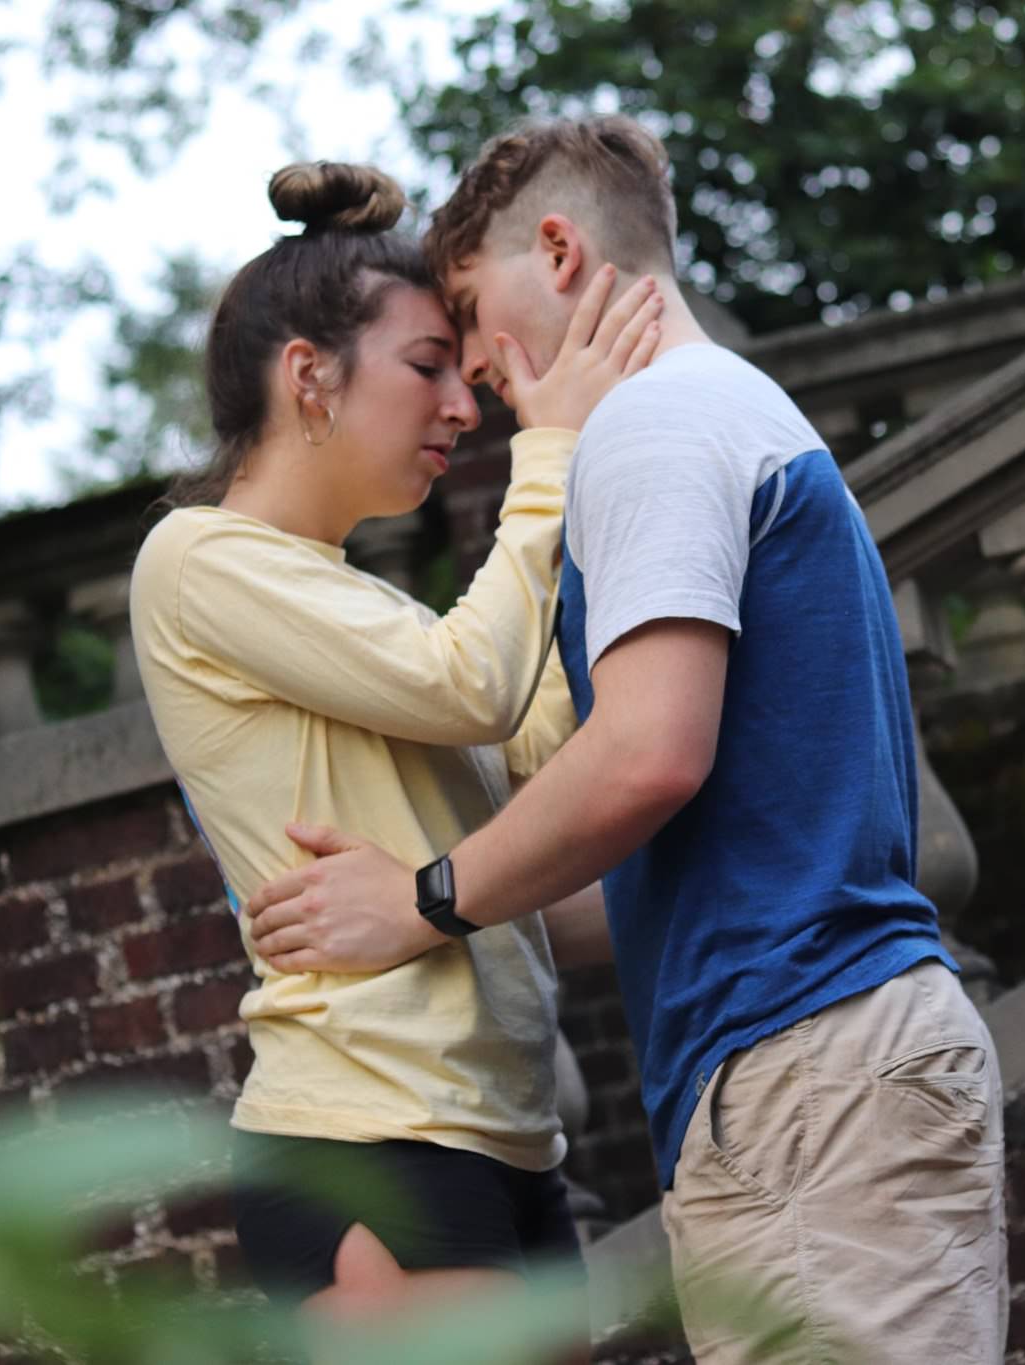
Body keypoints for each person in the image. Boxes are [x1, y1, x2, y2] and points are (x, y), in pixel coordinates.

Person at [242, 119, 1008, 1363]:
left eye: (473, 314)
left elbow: (647, 756)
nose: (473, 376)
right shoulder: (733, 415)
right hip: (826, 1062)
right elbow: (680, 840)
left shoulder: (652, 430)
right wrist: (471, 931)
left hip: (801, 1070)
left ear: (556, 251)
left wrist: (424, 900)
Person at [126, 160, 662, 1333]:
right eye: (427, 368)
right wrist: (552, 456)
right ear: (308, 376)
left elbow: (543, 755)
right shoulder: (197, 561)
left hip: (504, 1132)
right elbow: (471, 683)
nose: (463, 407)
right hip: (367, 1133)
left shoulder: (367, 611)